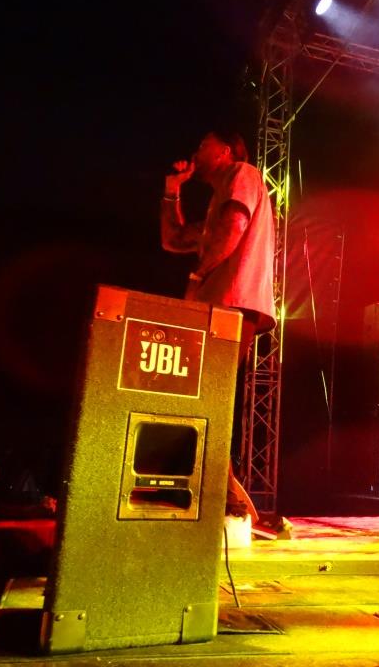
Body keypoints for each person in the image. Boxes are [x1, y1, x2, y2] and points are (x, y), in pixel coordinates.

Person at [161, 130, 276, 521]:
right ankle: (225, 493)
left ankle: (227, 498)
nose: (196, 151)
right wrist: (172, 192)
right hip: (219, 305)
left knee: (209, 395)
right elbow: (174, 240)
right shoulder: (218, 200)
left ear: (225, 151)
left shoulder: (242, 173)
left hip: (232, 302)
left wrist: (200, 274)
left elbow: (234, 225)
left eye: (203, 144)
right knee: (205, 396)